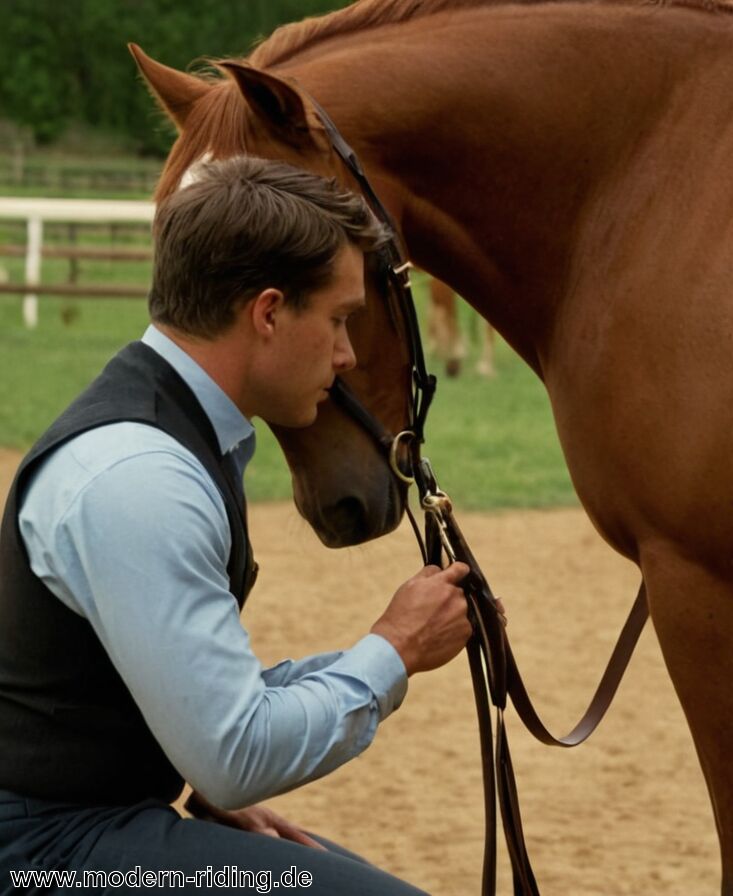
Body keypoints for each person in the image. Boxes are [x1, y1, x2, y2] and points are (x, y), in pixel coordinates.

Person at [0, 156, 475, 894]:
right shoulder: (142, 478)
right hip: (42, 856)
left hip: (76, 829)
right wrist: (394, 649)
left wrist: (389, 645)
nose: (348, 355)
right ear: (269, 313)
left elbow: (198, 703)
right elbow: (235, 751)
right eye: (340, 319)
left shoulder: (168, 434)